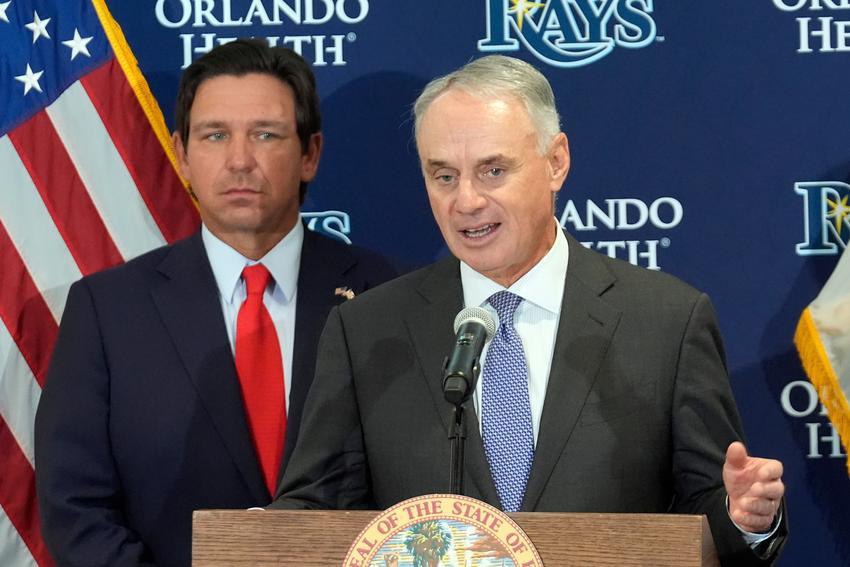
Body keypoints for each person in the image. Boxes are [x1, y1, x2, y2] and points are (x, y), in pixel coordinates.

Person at [273, 55, 787, 565]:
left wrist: (742, 517)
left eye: (493, 171)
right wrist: (256, 535)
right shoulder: (368, 331)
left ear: (555, 162)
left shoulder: (666, 322)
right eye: (443, 176)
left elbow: (707, 513)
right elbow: (314, 512)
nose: (466, 201)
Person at [34, 39, 398, 567]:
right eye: (215, 135)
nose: (240, 160)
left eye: (266, 134)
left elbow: (422, 486)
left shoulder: (388, 293)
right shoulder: (107, 310)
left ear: (310, 154)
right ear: (182, 155)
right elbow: (75, 508)